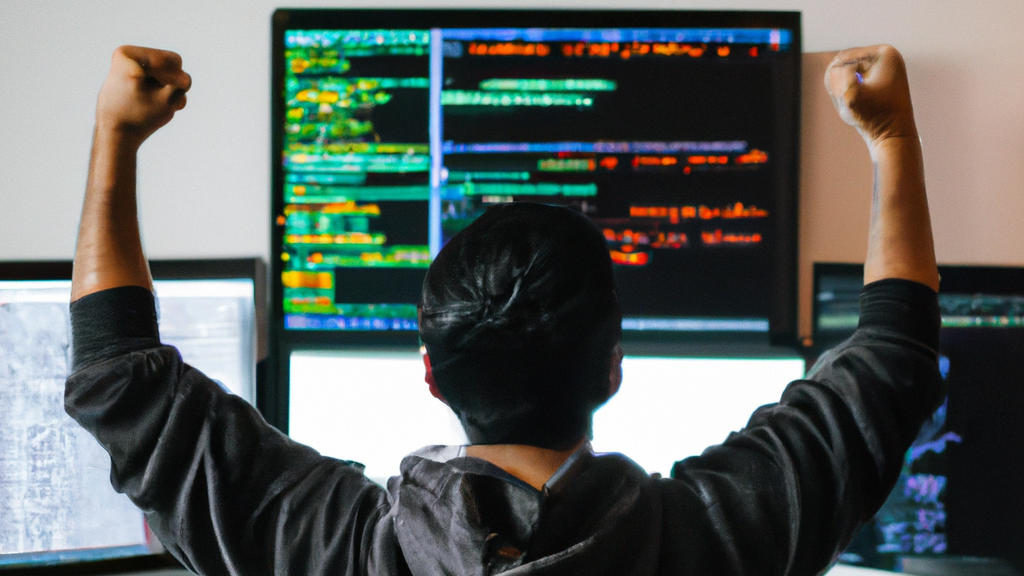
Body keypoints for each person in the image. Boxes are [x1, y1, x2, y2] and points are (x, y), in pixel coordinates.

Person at [65, 44, 943, 575]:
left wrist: (115, 135)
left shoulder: (340, 555)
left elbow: (120, 381)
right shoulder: (712, 545)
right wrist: (892, 138)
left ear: (429, 373)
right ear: (614, 368)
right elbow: (891, 363)